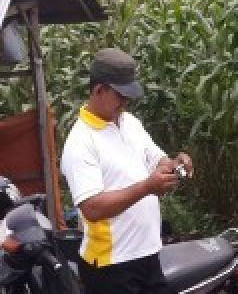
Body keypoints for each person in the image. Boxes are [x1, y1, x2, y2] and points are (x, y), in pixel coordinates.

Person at [60, 48, 193, 294]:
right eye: (120, 96)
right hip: (111, 266)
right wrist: (147, 187)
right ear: (99, 90)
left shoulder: (129, 122)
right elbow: (92, 208)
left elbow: (156, 159)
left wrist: (175, 164)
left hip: (147, 254)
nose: (125, 103)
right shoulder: (80, 142)